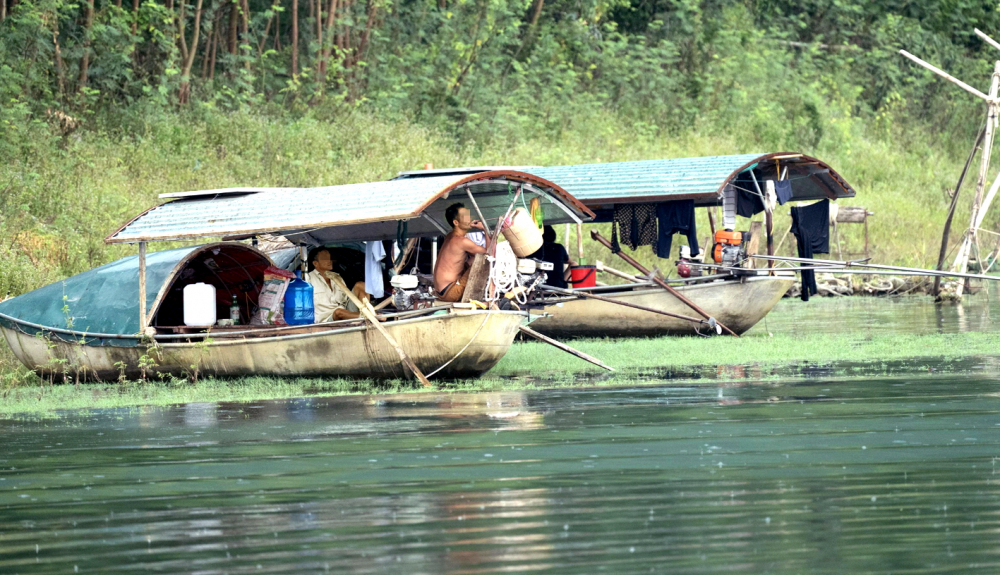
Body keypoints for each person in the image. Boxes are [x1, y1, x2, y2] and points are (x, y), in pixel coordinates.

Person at [434, 202, 488, 302]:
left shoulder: (451, 236)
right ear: (456, 223)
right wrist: (484, 229)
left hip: (442, 292)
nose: (469, 219)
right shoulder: (462, 241)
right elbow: (489, 253)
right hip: (451, 291)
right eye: (465, 217)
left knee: (473, 259)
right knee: (483, 261)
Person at [305, 247, 370, 321]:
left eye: (329, 258)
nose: (329, 261)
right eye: (325, 258)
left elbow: (346, 300)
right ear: (315, 263)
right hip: (326, 319)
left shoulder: (337, 277)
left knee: (361, 285)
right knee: (339, 312)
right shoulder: (308, 279)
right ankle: (370, 317)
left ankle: (366, 314)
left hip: (345, 313)